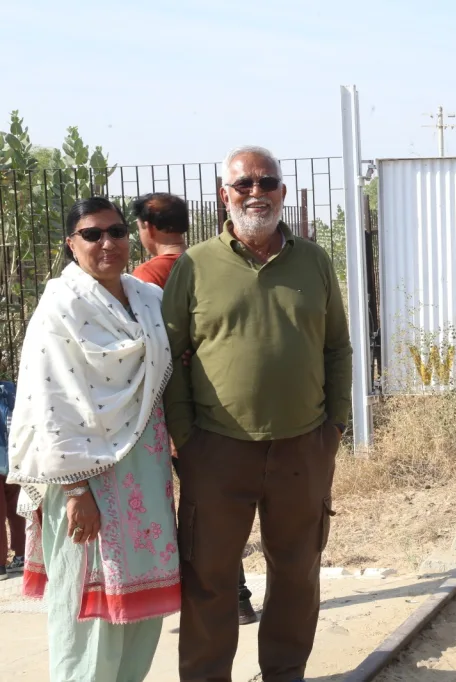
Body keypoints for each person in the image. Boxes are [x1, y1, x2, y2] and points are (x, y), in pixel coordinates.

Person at [163, 145, 352, 682]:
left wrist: (333, 426)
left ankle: (285, 673)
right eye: (243, 183)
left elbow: (337, 348)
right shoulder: (196, 265)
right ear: (224, 195)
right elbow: (170, 357)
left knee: (296, 573)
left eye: (266, 182)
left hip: (303, 448)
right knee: (209, 579)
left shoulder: (313, 262)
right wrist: (186, 436)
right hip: (216, 451)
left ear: (282, 193)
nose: (255, 192)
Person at [6, 197, 180, 681]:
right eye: (92, 234)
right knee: (88, 608)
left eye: (117, 231)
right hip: (84, 477)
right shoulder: (59, 307)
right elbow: (49, 400)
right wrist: (77, 490)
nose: (107, 243)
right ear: (71, 243)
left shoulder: (146, 297)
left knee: (139, 608)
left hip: (143, 468)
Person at [131, 191, 259, 626]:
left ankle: (215, 600)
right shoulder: (205, 265)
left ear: (147, 228)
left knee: (194, 515)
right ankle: (235, 598)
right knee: (216, 509)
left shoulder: (145, 276)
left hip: (171, 413)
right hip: (215, 408)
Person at [0, 379, 25, 580]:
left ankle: (1, 565)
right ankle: (22, 554)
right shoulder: (10, 390)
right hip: (12, 457)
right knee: (17, 508)